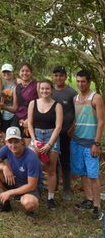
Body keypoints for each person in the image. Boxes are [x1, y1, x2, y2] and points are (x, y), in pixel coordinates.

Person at [71, 70, 104, 220]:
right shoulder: (75, 98)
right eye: (78, 81)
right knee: (82, 173)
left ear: (89, 81)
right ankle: (89, 199)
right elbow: (76, 119)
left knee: (93, 175)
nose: (80, 84)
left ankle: (97, 206)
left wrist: (96, 143)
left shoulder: (96, 98)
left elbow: (101, 122)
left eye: (83, 81)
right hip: (77, 141)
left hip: (91, 143)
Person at [0, 126, 43, 216]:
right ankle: (6, 204)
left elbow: (32, 185)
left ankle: (30, 209)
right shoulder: (7, 148)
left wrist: (10, 192)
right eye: (10, 142)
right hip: (15, 180)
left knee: (29, 203)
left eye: (16, 141)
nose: (13, 145)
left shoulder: (31, 158)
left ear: (22, 142)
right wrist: (4, 168)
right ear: (6, 142)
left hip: (29, 187)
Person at [28, 79, 63, 209]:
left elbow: (58, 126)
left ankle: (51, 197)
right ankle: (33, 191)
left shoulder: (57, 105)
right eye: (42, 88)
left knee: (50, 169)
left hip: (51, 137)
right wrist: (34, 140)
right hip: (36, 136)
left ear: (51, 90)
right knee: (33, 165)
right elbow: (30, 124)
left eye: (47, 89)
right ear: (39, 90)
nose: (44, 91)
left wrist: (49, 144)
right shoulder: (33, 103)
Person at [52, 66, 77, 201]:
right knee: (53, 160)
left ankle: (67, 189)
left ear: (66, 77)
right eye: (56, 76)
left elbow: (77, 112)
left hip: (66, 133)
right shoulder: (51, 91)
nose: (58, 78)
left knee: (65, 161)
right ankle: (54, 186)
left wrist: (72, 128)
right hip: (52, 133)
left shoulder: (71, 92)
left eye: (61, 75)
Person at [11, 62, 39, 141]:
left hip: (32, 117)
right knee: (12, 139)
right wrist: (3, 107)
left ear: (31, 73)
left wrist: (29, 120)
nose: (24, 73)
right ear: (19, 73)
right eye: (22, 71)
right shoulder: (17, 88)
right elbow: (15, 108)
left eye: (27, 71)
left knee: (27, 143)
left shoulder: (37, 85)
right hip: (18, 117)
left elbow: (41, 105)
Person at [0, 63, 17, 138]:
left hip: (13, 116)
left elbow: (16, 107)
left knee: (13, 138)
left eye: (8, 71)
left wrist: (4, 107)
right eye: (4, 72)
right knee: (4, 139)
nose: (6, 74)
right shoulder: (2, 85)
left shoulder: (16, 85)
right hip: (4, 115)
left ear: (12, 72)